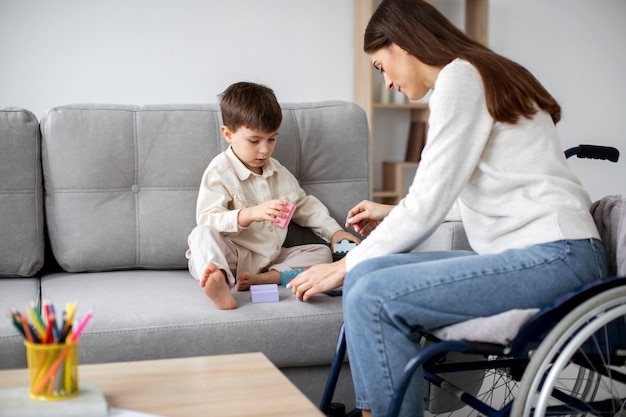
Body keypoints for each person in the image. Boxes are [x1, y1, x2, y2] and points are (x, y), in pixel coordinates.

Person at [286, 0, 608, 416]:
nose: (386, 82)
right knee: (369, 275)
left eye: (381, 67)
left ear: (401, 45)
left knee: (371, 291)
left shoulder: (461, 78)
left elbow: (427, 205)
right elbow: (472, 189)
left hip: (558, 257)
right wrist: (389, 212)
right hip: (544, 255)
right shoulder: (478, 72)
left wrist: (340, 267)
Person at [186, 82, 359, 310]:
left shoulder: (278, 172)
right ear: (228, 134)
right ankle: (220, 281)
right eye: (254, 141)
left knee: (321, 252)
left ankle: (265, 279)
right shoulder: (220, 171)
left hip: (272, 258)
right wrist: (249, 214)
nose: (264, 150)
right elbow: (208, 218)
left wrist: (335, 231)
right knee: (201, 235)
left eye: (272, 139)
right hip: (233, 255)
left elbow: (306, 207)